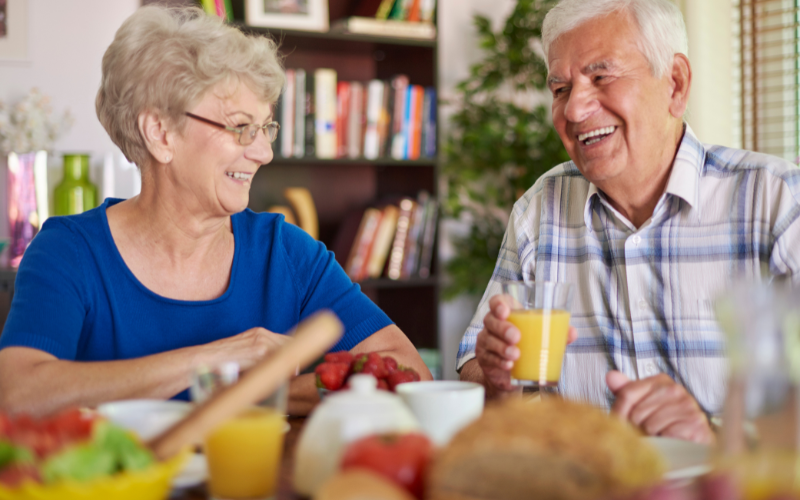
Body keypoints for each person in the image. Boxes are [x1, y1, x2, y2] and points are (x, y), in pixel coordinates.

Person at [0, 5, 430, 417]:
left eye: (265, 128)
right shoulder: (69, 252)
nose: (263, 152)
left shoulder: (286, 253)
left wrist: (248, 394)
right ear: (161, 133)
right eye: (241, 127)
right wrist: (219, 360)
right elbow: (18, 395)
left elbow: (409, 373)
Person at [458, 0, 800, 444]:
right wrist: (494, 374)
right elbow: (473, 379)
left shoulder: (778, 201)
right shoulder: (540, 210)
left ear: (675, 84)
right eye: (560, 89)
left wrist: (720, 439)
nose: (574, 111)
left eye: (601, 77)